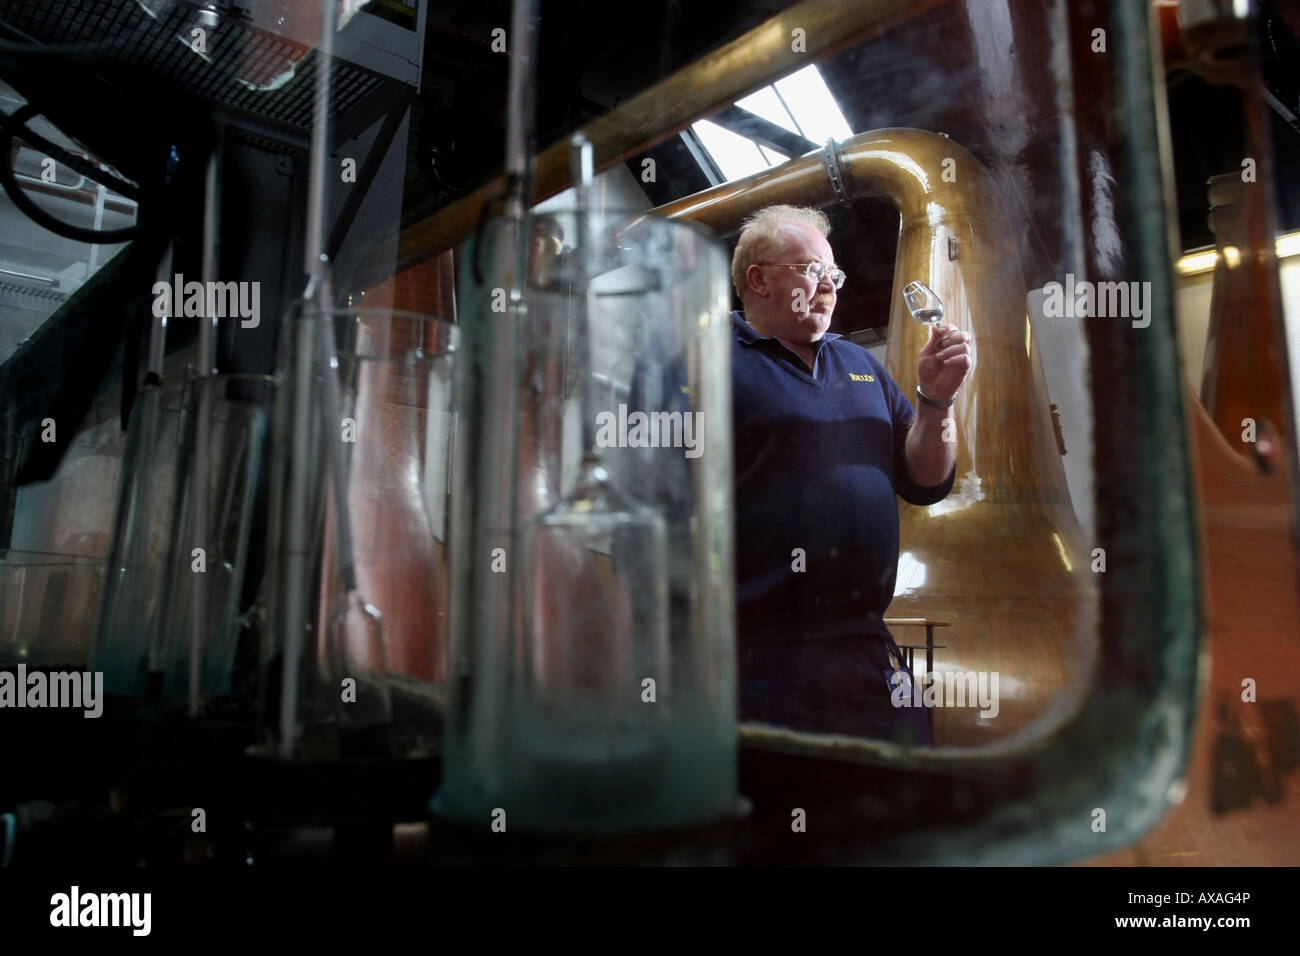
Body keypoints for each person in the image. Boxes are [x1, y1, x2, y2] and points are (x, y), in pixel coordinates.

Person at [730, 205, 973, 746]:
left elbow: (927, 481)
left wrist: (936, 401)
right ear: (759, 278)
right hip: (760, 652)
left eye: (833, 276)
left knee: (905, 802)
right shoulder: (708, 360)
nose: (828, 287)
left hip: (866, 643)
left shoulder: (860, 367)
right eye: (811, 269)